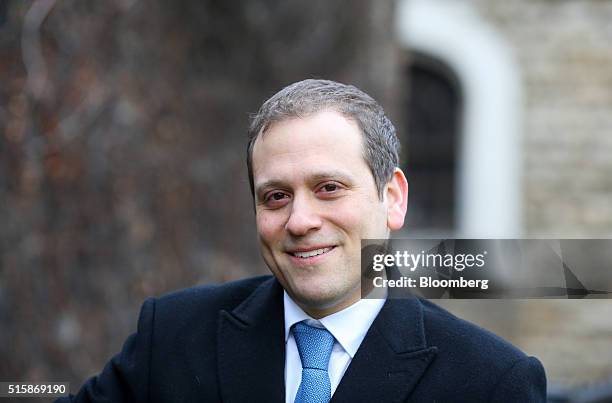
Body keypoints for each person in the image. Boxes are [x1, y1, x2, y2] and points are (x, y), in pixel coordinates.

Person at [57, 79, 546, 402]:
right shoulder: (173, 337)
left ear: (392, 198)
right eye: (275, 196)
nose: (299, 220)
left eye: (328, 188)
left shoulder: (490, 381)